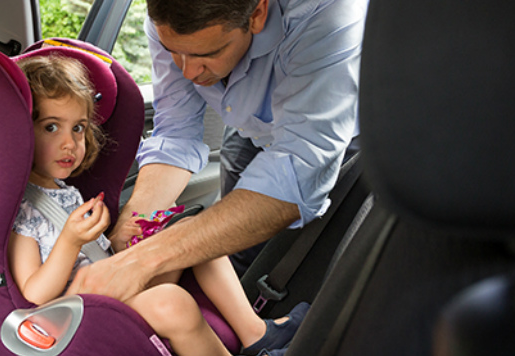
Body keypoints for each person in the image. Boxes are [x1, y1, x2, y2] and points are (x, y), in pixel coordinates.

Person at [8, 54, 309, 356]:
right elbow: (35, 295)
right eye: (52, 127)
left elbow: (93, 257)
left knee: (193, 236)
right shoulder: (24, 209)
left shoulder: (64, 191)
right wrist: (69, 241)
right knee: (171, 303)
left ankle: (255, 332)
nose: (71, 143)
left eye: (78, 127)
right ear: (21, 129)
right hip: (83, 318)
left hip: (109, 290)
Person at [72, 0, 366, 307]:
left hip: (340, 141)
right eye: (173, 51)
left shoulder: (327, 12)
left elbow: (298, 174)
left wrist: (146, 259)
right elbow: (176, 133)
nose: (187, 72)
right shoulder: (169, 18)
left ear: (257, 13)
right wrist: (131, 227)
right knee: (235, 258)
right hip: (249, 129)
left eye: (207, 54)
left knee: (309, 265)